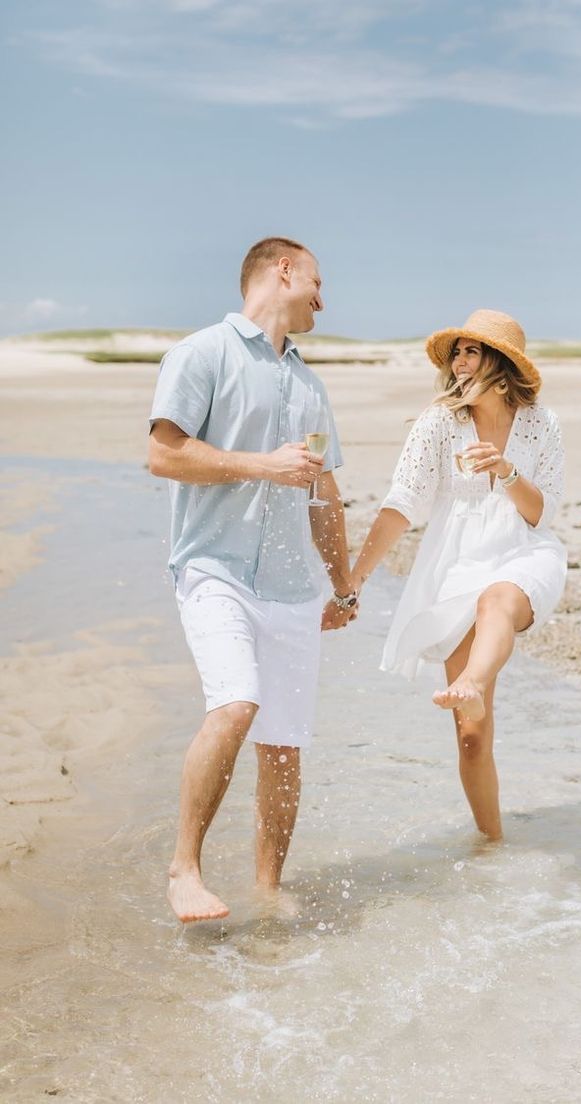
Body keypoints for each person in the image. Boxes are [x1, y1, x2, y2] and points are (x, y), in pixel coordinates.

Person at [148, 237, 359, 923]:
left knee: (285, 746)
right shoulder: (201, 353)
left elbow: (324, 492)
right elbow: (163, 454)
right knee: (237, 704)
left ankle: (267, 892)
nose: (324, 300)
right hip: (215, 569)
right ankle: (185, 869)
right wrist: (263, 465)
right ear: (284, 271)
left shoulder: (309, 383)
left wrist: (344, 584)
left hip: (295, 590)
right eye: (317, 283)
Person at [348, 310, 566, 840]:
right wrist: (354, 579)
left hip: (524, 551)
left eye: (471, 351)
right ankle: (493, 845)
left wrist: (506, 471)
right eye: (457, 353)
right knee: (472, 736)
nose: (460, 363)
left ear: (500, 362)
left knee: (497, 601)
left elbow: (543, 512)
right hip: (455, 562)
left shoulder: (541, 423)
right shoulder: (439, 423)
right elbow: (402, 504)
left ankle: (473, 679)